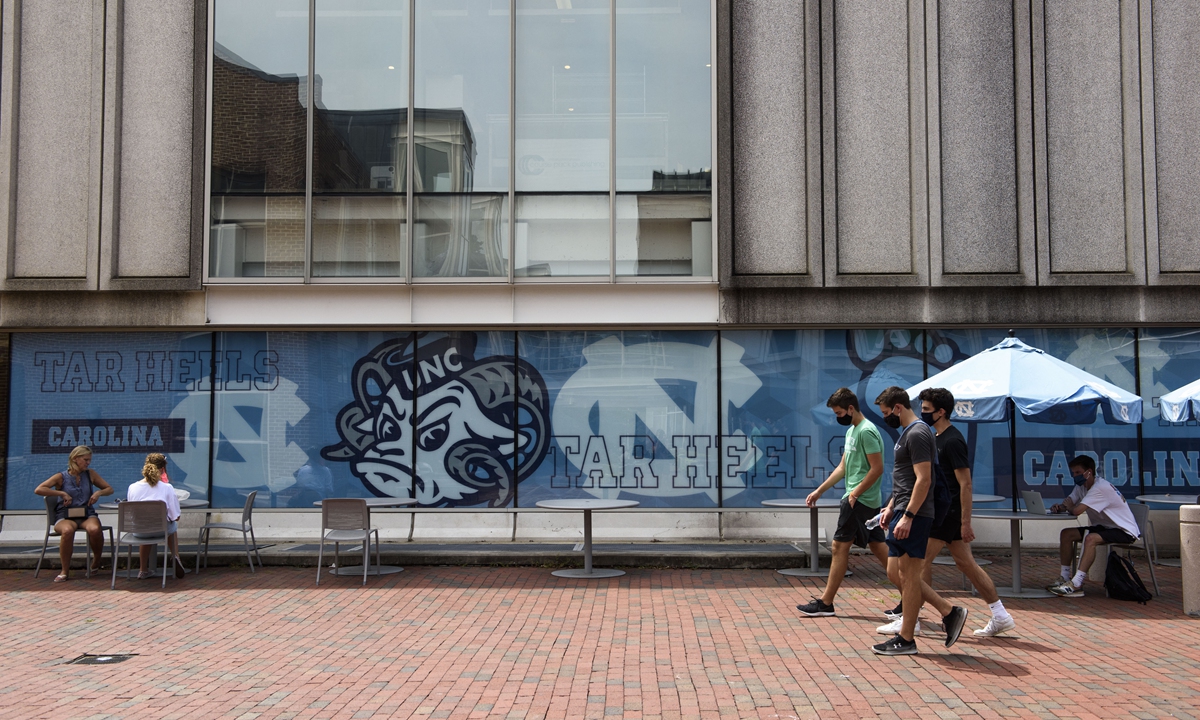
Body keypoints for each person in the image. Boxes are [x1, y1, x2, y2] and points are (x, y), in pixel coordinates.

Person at [875, 388, 1014, 637]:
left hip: (945, 513)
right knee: (965, 563)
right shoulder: (933, 436)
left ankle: (915, 618)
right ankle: (1000, 614)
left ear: (942, 412)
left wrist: (965, 522)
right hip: (942, 511)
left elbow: (965, 483)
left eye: (927, 410)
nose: (923, 413)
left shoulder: (952, 440)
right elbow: (912, 476)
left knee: (909, 570)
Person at [871, 387, 967, 656]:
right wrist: (890, 507)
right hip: (902, 509)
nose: (886, 418)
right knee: (898, 572)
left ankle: (907, 638)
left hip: (915, 513)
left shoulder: (917, 433)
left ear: (898, 407)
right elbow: (905, 479)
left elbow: (924, 479)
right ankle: (949, 612)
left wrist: (910, 515)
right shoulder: (907, 434)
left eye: (887, 413)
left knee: (910, 575)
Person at [796, 388, 890, 617]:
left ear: (851, 408)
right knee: (879, 548)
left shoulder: (866, 431)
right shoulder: (852, 432)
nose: (838, 417)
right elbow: (843, 467)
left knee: (839, 547)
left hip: (859, 500)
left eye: (839, 413)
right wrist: (820, 490)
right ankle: (911, 595)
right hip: (859, 499)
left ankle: (826, 603)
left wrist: (854, 494)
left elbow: (877, 469)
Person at [1046, 455, 1140, 597]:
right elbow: (1070, 503)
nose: (1074, 476)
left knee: (1091, 539)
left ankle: (1077, 583)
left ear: (1088, 472)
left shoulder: (1100, 488)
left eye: (1077, 472)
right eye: (1073, 473)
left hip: (1123, 530)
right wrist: (1060, 507)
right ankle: (1064, 578)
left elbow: (1077, 510)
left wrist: (1071, 507)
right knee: (1066, 534)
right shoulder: (1081, 486)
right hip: (1104, 526)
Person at [34, 445, 113, 582]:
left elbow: (109, 488)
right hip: (65, 515)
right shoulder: (61, 476)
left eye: (89, 460)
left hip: (86, 513)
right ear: (76, 459)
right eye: (85, 460)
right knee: (67, 531)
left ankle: (96, 561)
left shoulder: (90, 474)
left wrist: (99, 492)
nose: (88, 463)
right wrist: (61, 493)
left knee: (94, 529)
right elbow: (39, 489)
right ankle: (65, 570)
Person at [127, 455, 187, 580]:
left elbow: (132, 513)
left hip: (140, 532)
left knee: (146, 525)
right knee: (172, 526)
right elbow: (176, 516)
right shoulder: (167, 488)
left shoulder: (132, 487)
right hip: (161, 530)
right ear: (163, 469)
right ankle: (176, 556)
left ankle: (143, 569)